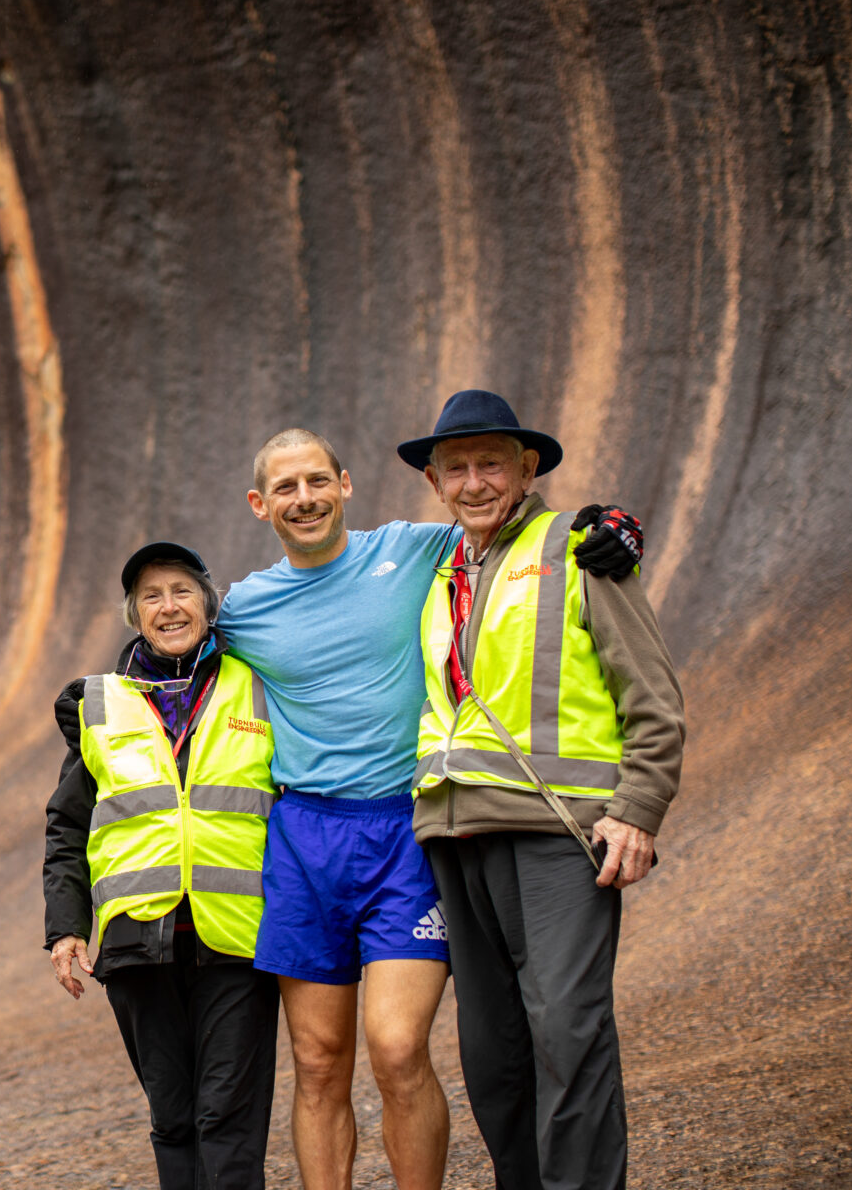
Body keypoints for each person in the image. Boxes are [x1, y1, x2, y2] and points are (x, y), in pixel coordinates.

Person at [215, 427, 644, 1190]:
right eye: (285, 488)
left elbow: (510, 527)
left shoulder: (418, 550)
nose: (304, 499)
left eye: (317, 481)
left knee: (397, 1047)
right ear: (259, 504)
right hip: (305, 836)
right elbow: (169, 646)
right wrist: (100, 691)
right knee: (316, 1061)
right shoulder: (244, 609)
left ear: (345, 484)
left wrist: (613, 526)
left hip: (403, 833)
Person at [399, 390, 683, 1190]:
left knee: (567, 1032)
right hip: (456, 836)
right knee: (494, 1056)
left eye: (493, 463)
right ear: (433, 481)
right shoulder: (439, 570)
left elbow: (653, 696)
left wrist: (638, 809)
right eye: (456, 467)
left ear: (527, 469)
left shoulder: (581, 547)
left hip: (560, 834)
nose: (475, 482)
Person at [43, 541, 280, 1190]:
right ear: (134, 614)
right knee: (173, 1118)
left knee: (229, 1117)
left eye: (181, 591)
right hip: (136, 946)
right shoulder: (99, 705)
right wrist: (66, 928)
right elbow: (68, 825)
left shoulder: (260, 685)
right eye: (151, 595)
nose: (168, 606)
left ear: (209, 603)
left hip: (238, 938)